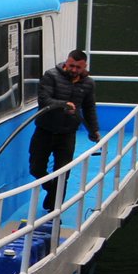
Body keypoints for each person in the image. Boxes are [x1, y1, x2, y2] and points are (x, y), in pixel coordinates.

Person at [30, 50, 101, 212]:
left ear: (85, 66)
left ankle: (54, 210)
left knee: (63, 173)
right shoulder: (51, 76)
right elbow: (44, 99)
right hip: (45, 130)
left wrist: (94, 130)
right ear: (66, 62)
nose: (74, 70)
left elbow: (89, 108)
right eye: (71, 66)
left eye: (78, 67)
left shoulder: (88, 84)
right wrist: (63, 105)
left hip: (67, 133)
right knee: (36, 168)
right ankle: (51, 189)